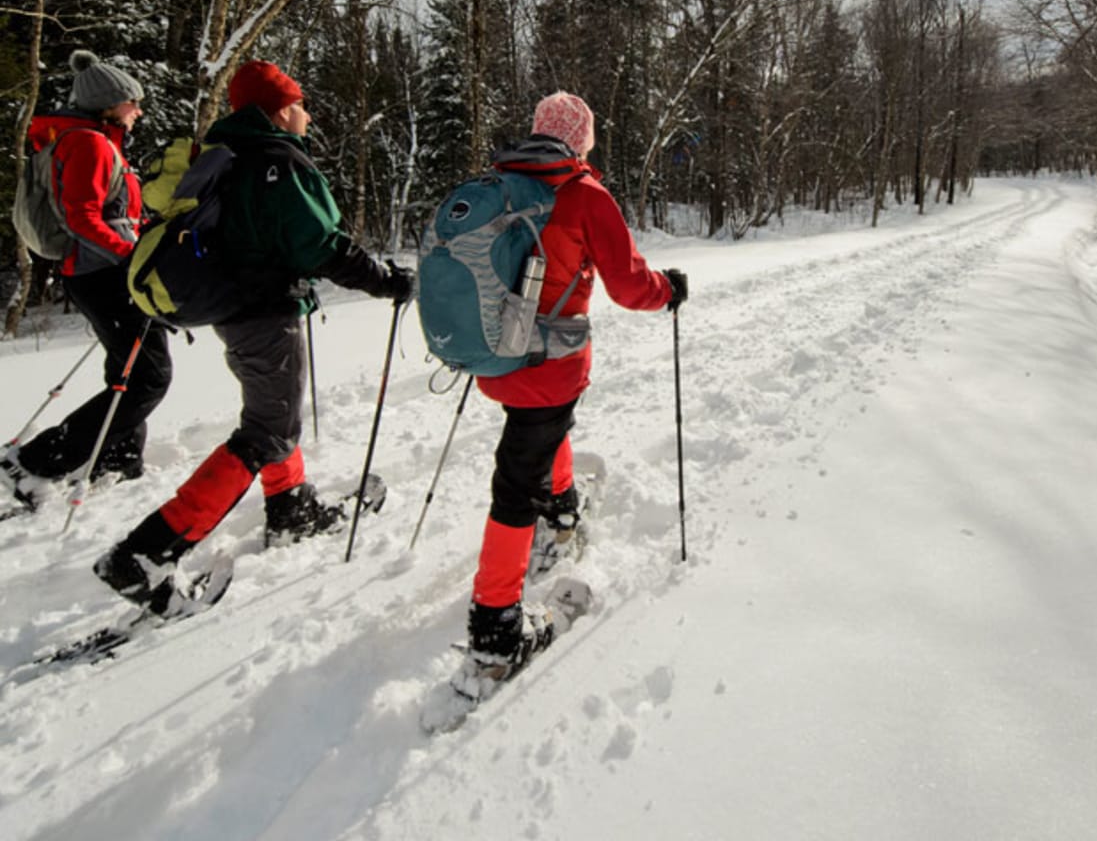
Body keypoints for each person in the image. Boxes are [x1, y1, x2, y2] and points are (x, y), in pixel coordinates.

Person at [93, 59, 413, 614]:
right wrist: (386, 281)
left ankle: (291, 506)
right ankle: (145, 554)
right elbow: (320, 243)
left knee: (275, 414)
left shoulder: (230, 154)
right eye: (301, 104)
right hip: (263, 312)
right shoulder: (273, 161)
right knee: (266, 430)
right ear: (281, 108)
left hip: (239, 310)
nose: (307, 114)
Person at [461, 91, 688, 679]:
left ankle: (561, 506)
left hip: (493, 358)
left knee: (540, 430)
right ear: (581, 141)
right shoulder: (584, 194)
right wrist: (669, 288)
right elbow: (632, 287)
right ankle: (495, 628)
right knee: (515, 482)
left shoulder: (497, 185)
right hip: (550, 364)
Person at [1, 50, 172, 509]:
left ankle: (116, 459)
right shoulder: (90, 144)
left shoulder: (97, 141)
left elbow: (112, 214)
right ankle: (35, 463)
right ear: (108, 103)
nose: (138, 110)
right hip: (104, 274)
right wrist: (133, 256)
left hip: (101, 272)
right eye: (131, 102)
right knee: (150, 377)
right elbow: (83, 217)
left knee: (130, 370)